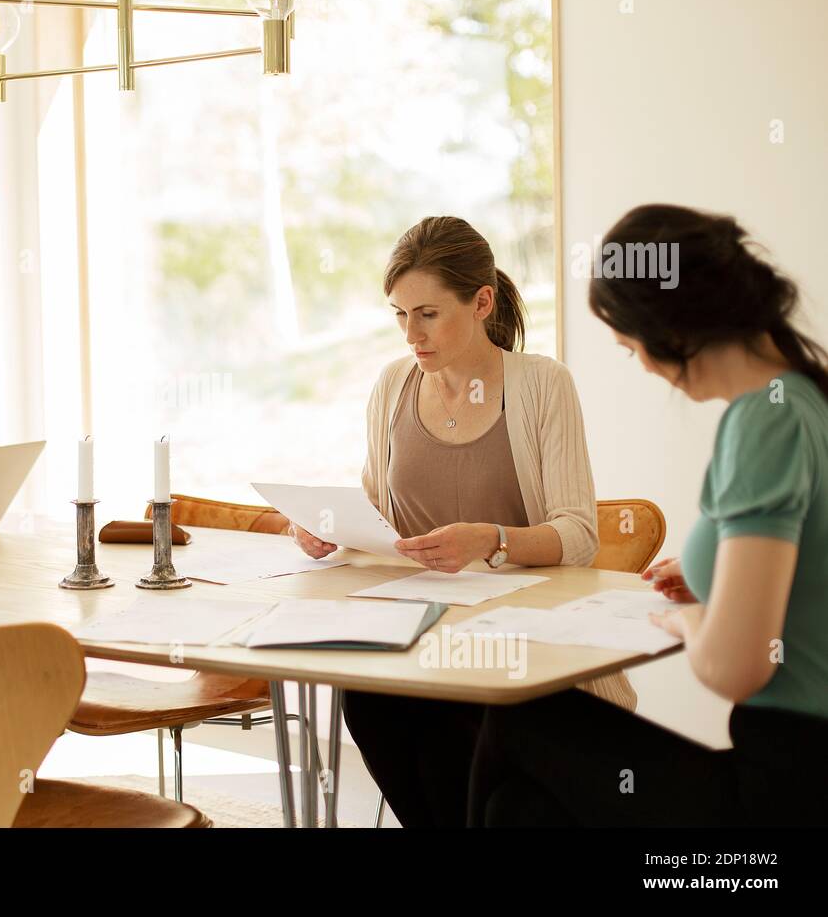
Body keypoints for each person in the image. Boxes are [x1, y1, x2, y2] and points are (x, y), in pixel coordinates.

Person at [465, 203, 828, 826]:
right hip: (795, 775)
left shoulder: (764, 422)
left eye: (629, 345)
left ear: (670, 328)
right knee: (517, 812)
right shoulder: (807, 399)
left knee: (519, 713)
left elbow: (738, 667)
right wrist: (718, 585)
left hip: (779, 797)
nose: (639, 362)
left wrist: (689, 619)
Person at [289, 215, 628, 827]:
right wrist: (322, 527)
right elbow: (373, 507)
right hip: (414, 629)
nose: (410, 334)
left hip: (515, 638)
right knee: (367, 700)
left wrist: (493, 540)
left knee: (453, 740)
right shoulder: (393, 386)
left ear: (481, 302)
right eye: (398, 314)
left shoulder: (542, 385)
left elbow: (578, 534)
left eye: (428, 313)